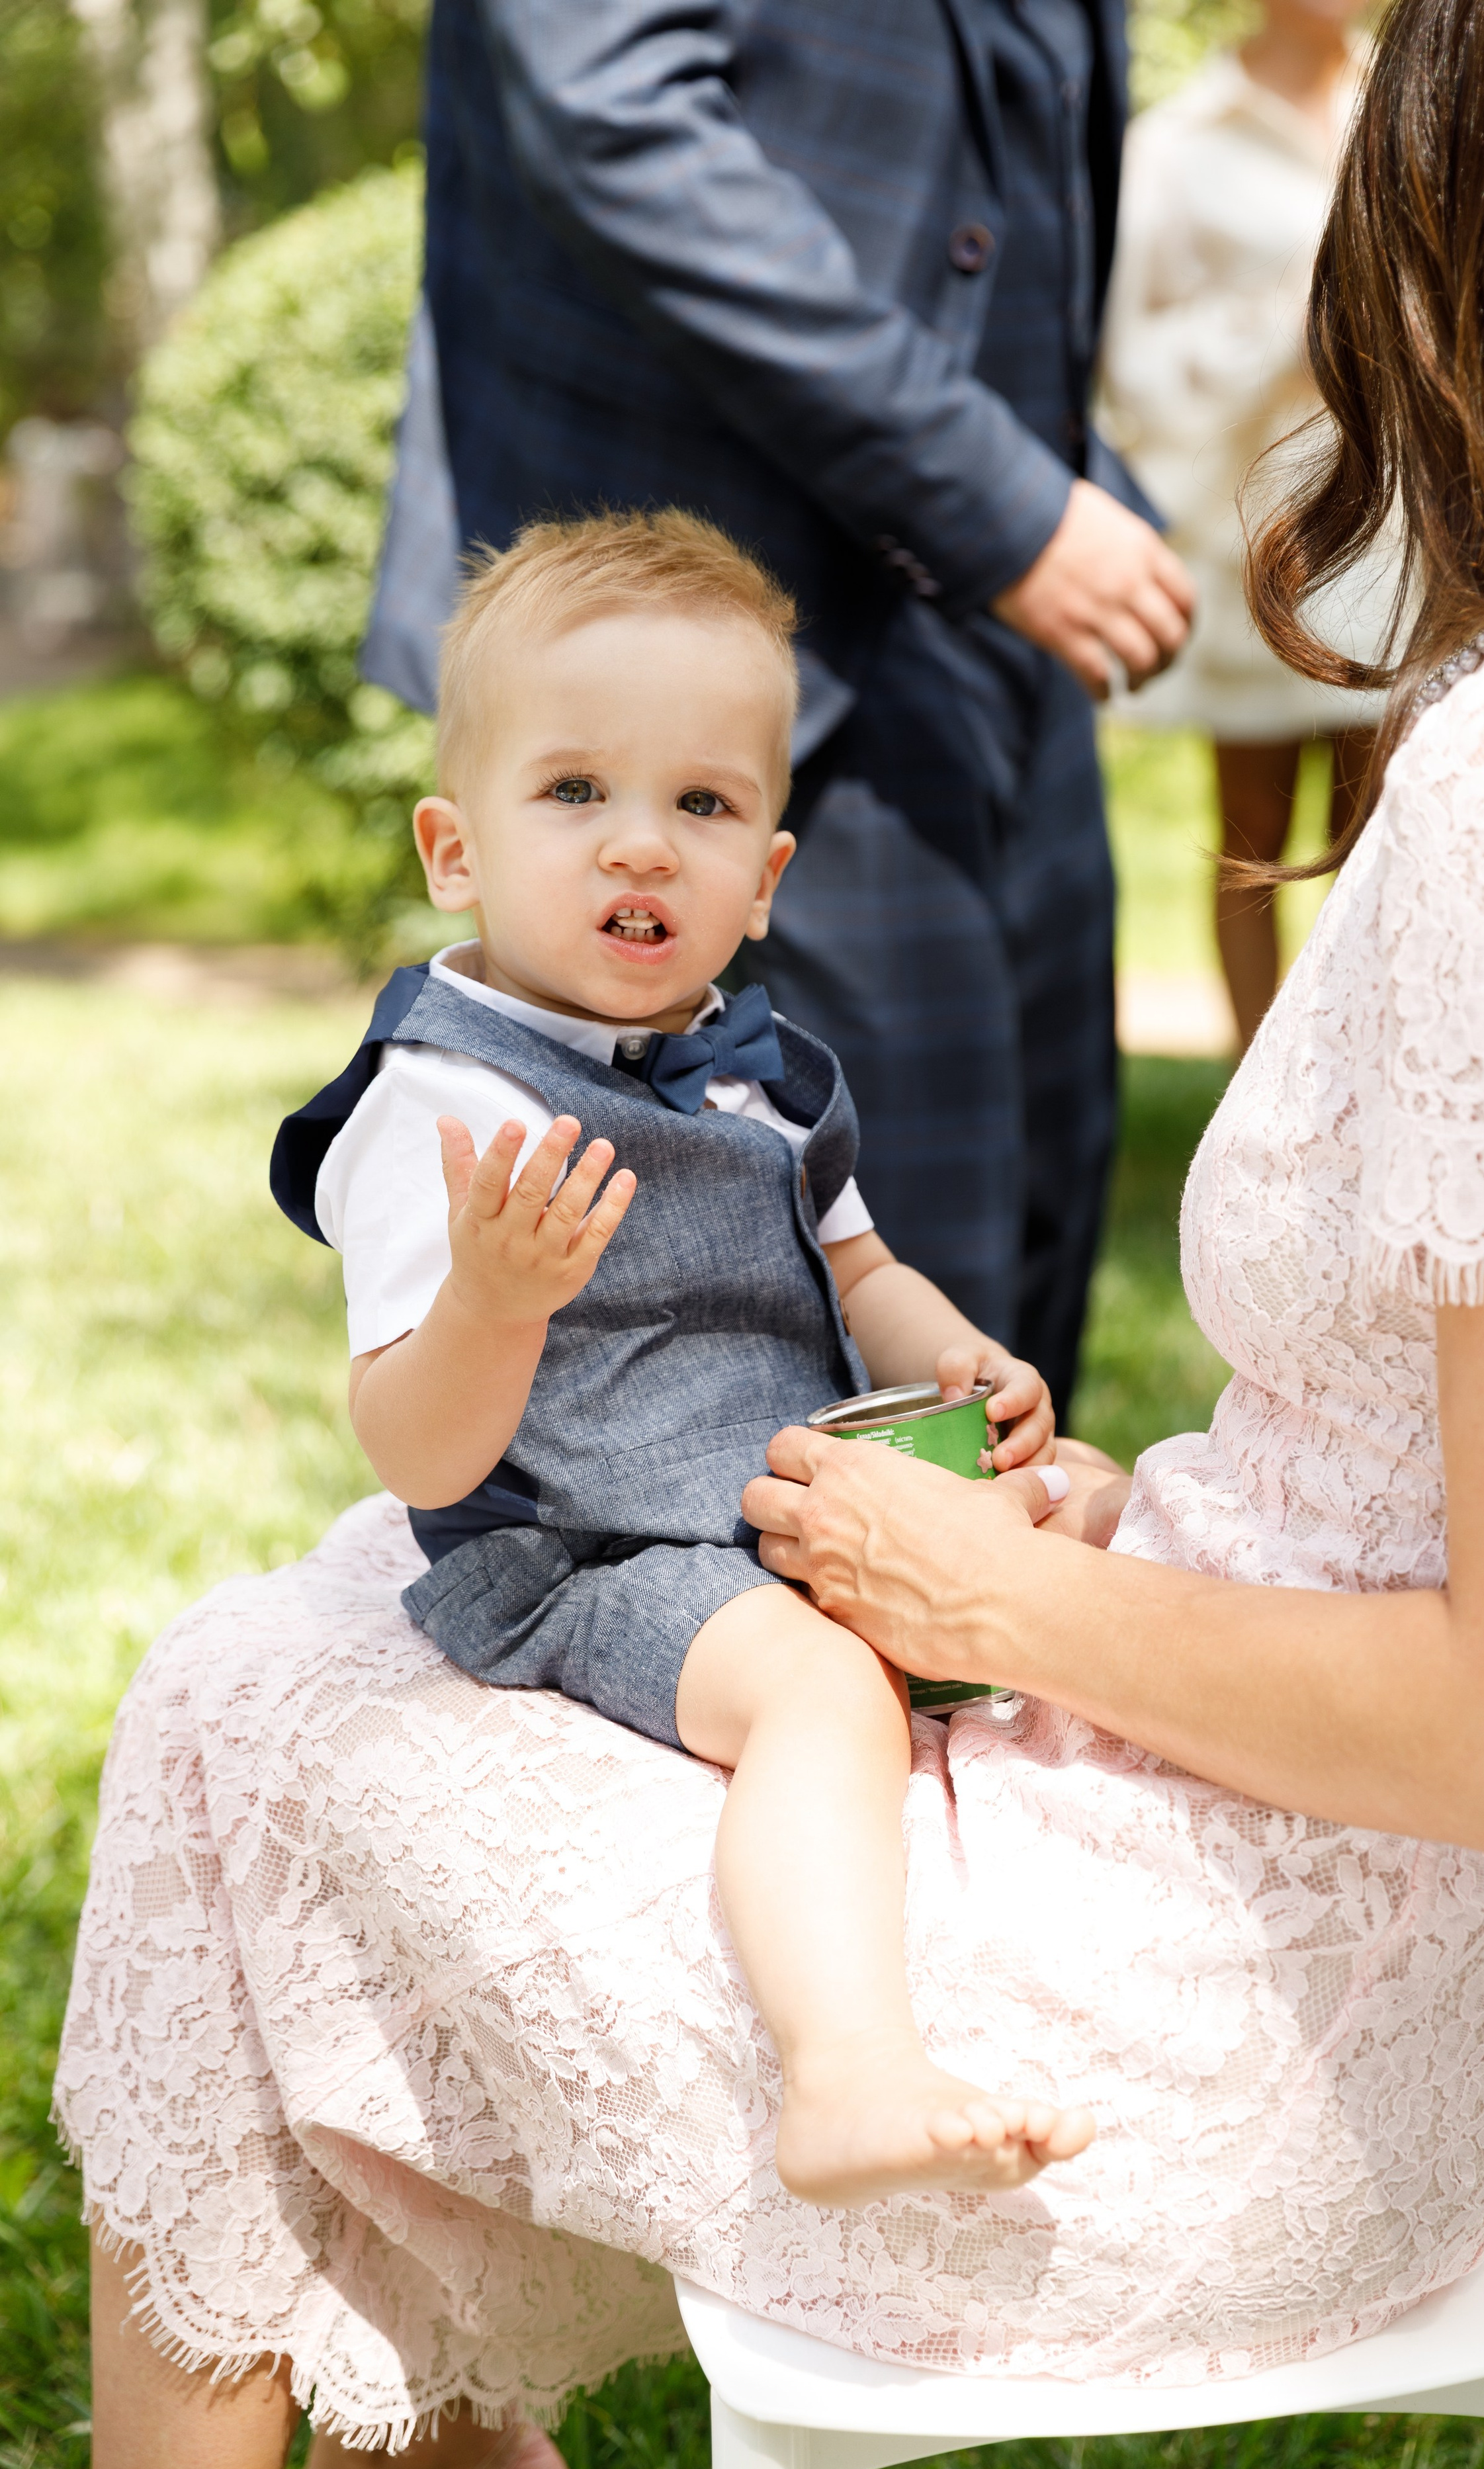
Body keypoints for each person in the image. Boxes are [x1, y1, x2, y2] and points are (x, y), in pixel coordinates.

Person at [62, 1, 1484, 2469]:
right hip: (1377, 1923)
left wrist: (996, 1605)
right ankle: (429, 2466)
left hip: (1250, 2050)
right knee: (344, 1630)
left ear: (1483, 192)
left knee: (238, 1708)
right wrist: (1130, 1512)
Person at [277, 507, 1093, 2208]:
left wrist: (966, 1375)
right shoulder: (445, 1108)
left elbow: (857, 1262)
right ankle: (847, 2068)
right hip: (590, 1550)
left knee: (1082, 1502)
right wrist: (494, 1304)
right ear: (454, 846)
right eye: (573, 793)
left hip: (788, 1493)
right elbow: (417, 1456)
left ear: (765, 875)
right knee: (815, 1690)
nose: (640, 847)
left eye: (701, 806)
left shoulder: (756, 1069)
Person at [360, 0, 1197, 1429]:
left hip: (994, 612)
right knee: (808, 1336)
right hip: (704, 655)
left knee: (1011, 1294)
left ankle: (987, 1647)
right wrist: (992, 499)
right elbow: (613, 104)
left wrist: (1051, 470)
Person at [1094, 0, 1383, 1051]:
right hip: (1256, 540)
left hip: (1398, 538)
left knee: (1382, 833)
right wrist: (1283, 330)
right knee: (1254, 837)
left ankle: (1371, 1087)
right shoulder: (1176, 145)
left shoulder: (1405, 100)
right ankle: (1259, 1099)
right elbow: (1135, 366)